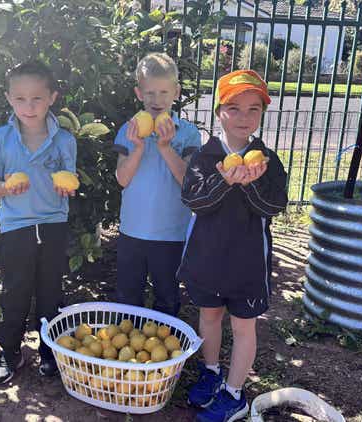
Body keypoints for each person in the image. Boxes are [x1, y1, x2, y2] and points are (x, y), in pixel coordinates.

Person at [178, 69, 288, 422]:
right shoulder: (204, 157)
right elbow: (195, 201)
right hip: (208, 259)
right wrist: (225, 182)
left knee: (244, 327)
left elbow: (274, 207)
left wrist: (250, 184)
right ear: (219, 112)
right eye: (234, 108)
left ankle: (235, 393)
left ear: (262, 114)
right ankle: (211, 372)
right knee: (209, 317)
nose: (244, 117)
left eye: (253, 109)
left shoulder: (267, 162)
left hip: (247, 264)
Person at [0, 60, 77, 384]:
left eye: (36, 98)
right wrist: (7, 187)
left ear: (52, 98)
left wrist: (66, 186)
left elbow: (70, 182)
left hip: (52, 225)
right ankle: (10, 352)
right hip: (16, 228)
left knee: (51, 292)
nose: (28, 106)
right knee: (15, 292)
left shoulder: (64, 141)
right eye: (20, 98)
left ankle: (50, 351)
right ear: (9, 99)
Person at [113, 52, 201, 316]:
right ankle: (127, 351)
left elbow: (189, 181)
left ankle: (167, 354)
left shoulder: (187, 133)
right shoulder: (128, 131)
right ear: (139, 93)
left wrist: (165, 147)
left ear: (176, 92)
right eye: (149, 93)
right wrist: (138, 147)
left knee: (167, 297)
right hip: (133, 230)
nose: (156, 100)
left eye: (164, 92)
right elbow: (122, 179)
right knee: (128, 297)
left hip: (171, 233)